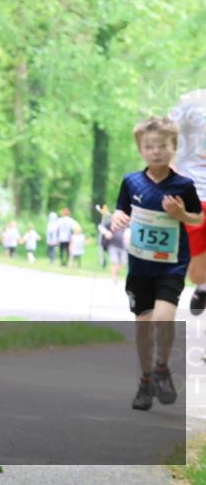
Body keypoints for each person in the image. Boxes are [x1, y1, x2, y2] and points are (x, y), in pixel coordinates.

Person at [110, 117, 202, 411]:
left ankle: (162, 368)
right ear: (141, 149)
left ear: (173, 147)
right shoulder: (131, 182)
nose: (156, 152)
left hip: (171, 264)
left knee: (164, 318)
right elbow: (120, 211)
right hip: (140, 265)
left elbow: (198, 218)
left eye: (163, 146)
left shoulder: (183, 185)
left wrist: (181, 214)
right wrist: (116, 219)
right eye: (150, 147)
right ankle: (145, 380)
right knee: (143, 326)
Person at [171, 91, 206, 315]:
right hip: (196, 193)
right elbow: (167, 133)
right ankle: (202, 285)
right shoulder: (190, 102)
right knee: (197, 270)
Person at [99, 216, 127, 283]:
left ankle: (114, 273)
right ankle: (114, 277)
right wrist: (106, 232)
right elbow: (100, 227)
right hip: (112, 246)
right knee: (114, 261)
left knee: (124, 262)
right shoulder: (111, 223)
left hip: (122, 247)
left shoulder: (125, 224)